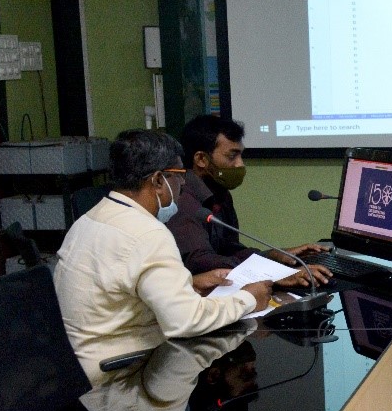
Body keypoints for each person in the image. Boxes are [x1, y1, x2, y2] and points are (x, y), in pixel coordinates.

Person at [54, 129, 273, 388]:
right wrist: (249, 298)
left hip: (81, 361)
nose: (184, 186)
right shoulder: (148, 233)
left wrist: (189, 284)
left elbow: (120, 287)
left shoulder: (93, 217)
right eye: (180, 177)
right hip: (120, 374)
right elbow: (186, 322)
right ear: (158, 181)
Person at [167, 115, 332, 287]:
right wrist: (275, 272)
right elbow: (201, 262)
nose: (240, 164)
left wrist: (273, 256)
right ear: (201, 159)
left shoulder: (219, 193)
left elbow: (229, 248)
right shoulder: (182, 199)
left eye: (241, 156)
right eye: (232, 156)